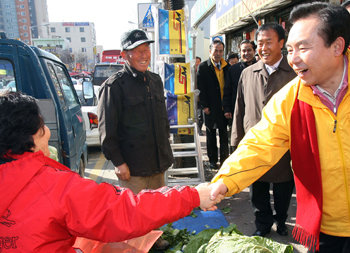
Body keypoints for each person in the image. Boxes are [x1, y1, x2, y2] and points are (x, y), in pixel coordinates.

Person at [0, 91, 222, 252]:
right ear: (31, 136)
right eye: (42, 127)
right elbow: (124, 211)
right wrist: (193, 196)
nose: (47, 132)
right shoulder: (51, 185)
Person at [210, 2, 350, 252]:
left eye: (303, 48)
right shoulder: (290, 98)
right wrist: (225, 181)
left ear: (337, 46)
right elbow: (260, 144)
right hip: (325, 228)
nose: (293, 59)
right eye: (290, 50)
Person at [232, 24, 296, 237]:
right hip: (255, 142)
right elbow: (239, 109)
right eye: (260, 43)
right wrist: (237, 141)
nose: (263, 48)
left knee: (283, 189)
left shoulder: (294, 73)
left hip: (284, 144)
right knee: (257, 191)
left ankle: (281, 219)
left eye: (269, 42)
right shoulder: (248, 73)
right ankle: (263, 224)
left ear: (281, 44)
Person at [98, 29, 172, 195]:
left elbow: (163, 120)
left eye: (146, 50)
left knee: (159, 216)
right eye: (138, 51)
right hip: (132, 172)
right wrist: (119, 163)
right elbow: (107, 132)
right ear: (125, 55)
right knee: (134, 217)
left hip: (158, 167)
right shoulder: (114, 86)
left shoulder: (155, 81)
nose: (144, 55)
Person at [197, 39, 229, 169]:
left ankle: (225, 161)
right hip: (209, 107)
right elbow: (200, 88)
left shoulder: (227, 67)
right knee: (210, 134)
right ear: (210, 51)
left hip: (224, 107)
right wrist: (204, 106)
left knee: (223, 135)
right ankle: (212, 160)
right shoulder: (204, 67)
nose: (218, 53)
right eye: (216, 50)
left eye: (221, 51)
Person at [223, 40, 256, 153]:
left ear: (254, 51)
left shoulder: (261, 66)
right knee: (238, 140)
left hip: (256, 111)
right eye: (243, 51)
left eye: (249, 50)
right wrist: (227, 109)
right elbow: (227, 90)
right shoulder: (233, 69)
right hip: (237, 110)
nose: (246, 53)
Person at [194, 56, 204, 135]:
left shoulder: (202, 72)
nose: (197, 64)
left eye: (198, 62)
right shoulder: (190, 73)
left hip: (200, 98)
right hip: (192, 98)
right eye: (195, 62)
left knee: (200, 115)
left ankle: (199, 129)